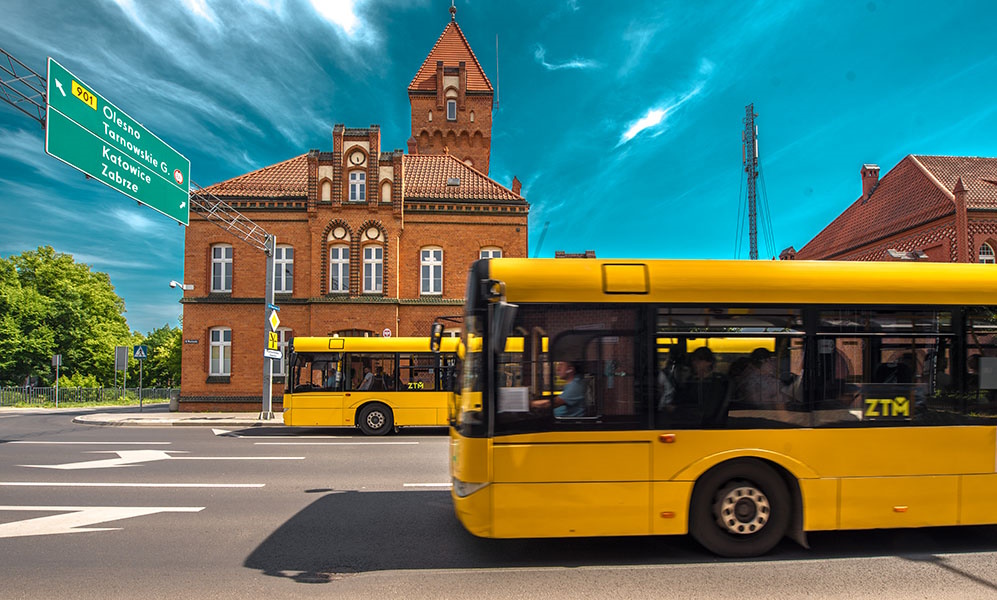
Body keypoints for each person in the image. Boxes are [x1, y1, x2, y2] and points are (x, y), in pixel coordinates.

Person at [674, 346, 729, 426]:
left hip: (701, 422)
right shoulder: (692, 380)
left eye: (698, 361)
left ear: (708, 362)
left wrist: (677, 409)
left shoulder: (715, 383)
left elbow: (707, 409)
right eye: (693, 360)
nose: (694, 363)